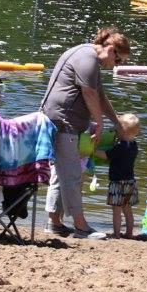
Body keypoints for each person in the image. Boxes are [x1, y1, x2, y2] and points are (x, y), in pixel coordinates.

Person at [40, 27, 132, 238]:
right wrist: (99, 123)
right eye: (118, 61)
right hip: (64, 122)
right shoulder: (88, 58)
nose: (116, 66)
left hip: (59, 120)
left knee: (61, 173)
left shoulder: (85, 54)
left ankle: (54, 223)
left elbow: (100, 95)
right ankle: (81, 227)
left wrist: (115, 121)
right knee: (72, 175)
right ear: (110, 49)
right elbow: (89, 94)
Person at [100, 113, 141, 237]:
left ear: (121, 130)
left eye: (117, 127)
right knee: (128, 210)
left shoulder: (119, 147)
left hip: (117, 182)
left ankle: (116, 234)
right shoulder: (134, 145)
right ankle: (129, 233)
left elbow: (106, 155)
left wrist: (93, 150)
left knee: (116, 210)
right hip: (130, 181)